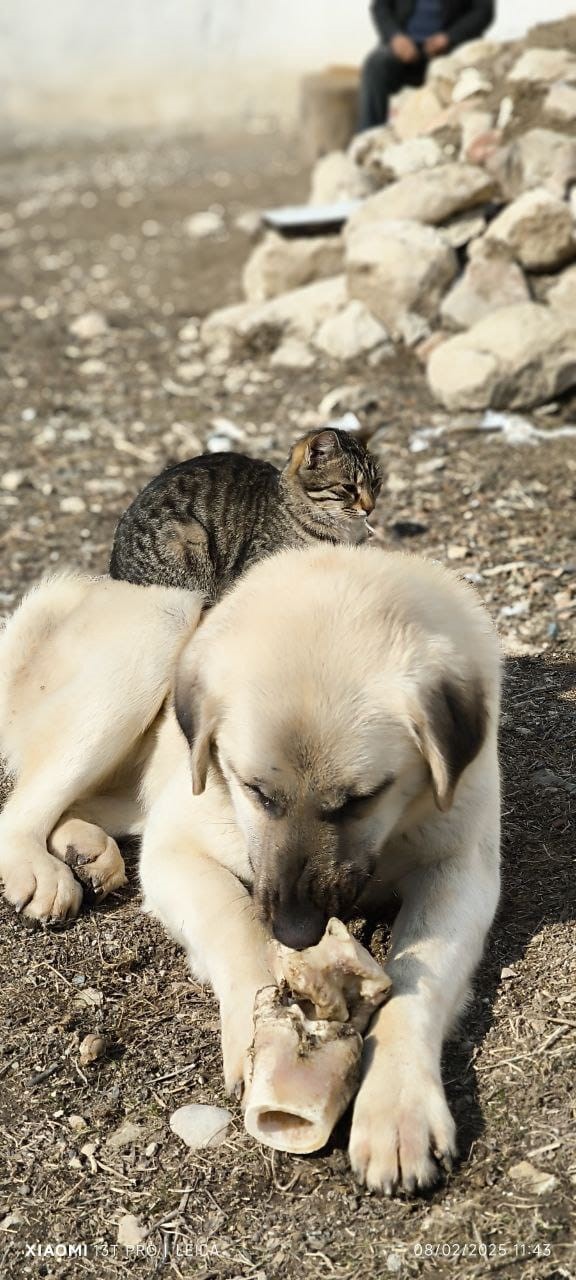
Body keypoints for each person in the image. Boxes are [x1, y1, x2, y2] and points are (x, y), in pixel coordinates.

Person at [358, 0, 494, 131]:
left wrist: (449, 38)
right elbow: (380, 7)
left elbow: (483, 11)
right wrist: (395, 37)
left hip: (450, 51)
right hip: (403, 49)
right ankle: (369, 138)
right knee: (376, 64)